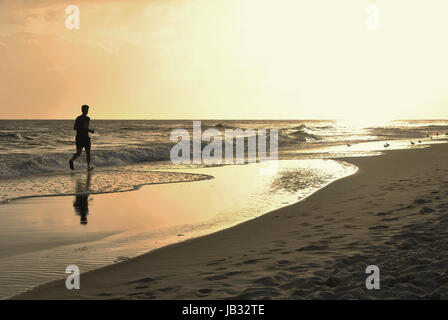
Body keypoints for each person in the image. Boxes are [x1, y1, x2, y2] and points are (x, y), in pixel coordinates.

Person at [69, 105, 94, 170]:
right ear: (85, 110)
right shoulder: (87, 118)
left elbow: (74, 128)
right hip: (85, 138)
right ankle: (88, 167)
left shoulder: (78, 118)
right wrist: (90, 130)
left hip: (78, 137)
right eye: (87, 110)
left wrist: (80, 128)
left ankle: (72, 160)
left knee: (79, 153)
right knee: (88, 152)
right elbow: (85, 128)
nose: (87, 111)